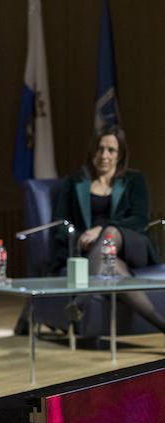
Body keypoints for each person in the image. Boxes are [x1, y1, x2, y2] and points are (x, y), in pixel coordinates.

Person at [50, 125, 165, 332]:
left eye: (111, 150)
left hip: (132, 244)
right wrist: (80, 237)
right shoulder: (74, 182)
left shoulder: (134, 180)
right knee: (112, 266)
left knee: (110, 234)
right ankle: (162, 325)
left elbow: (139, 220)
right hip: (94, 252)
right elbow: (60, 223)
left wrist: (102, 230)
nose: (104, 155)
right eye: (99, 149)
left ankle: (81, 299)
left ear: (120, 154)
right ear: (92, 151)